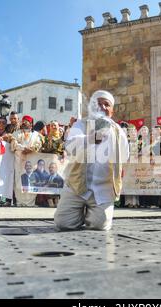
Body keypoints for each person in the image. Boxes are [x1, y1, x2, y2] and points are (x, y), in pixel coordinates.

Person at [54, 90, 129, 231]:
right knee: (63, 223)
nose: (102, 107)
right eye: (98, 104)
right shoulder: (80, 125)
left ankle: (92, 213)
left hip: (103, 189)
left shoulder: (118, 132)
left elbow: (124, 156)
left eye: (106, 104)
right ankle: (78, 213)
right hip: (76, 186)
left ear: (112, 111)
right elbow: (70, 147)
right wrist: (91, 139)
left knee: (100, 225)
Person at [10, 115, 42, 207]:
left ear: (31, 124)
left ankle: (30, 202)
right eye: (23, 121)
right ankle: (19, 202)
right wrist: (24, 148)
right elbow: (13, 144)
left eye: (27, 121)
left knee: (31, 180)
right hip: (19, 159)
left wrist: (32, 149)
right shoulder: (16, 133)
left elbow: (39, 145)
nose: (24, 122)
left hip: (31, 160)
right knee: (19, 180)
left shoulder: (36, 135)